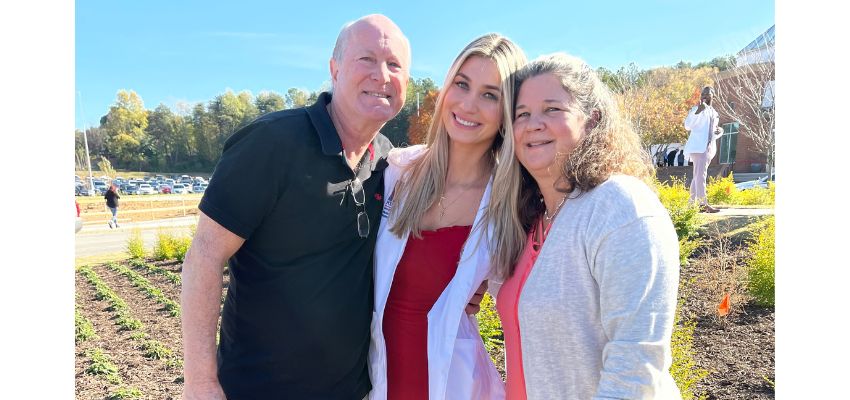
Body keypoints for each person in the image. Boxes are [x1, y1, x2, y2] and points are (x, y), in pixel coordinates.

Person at [181, 14, 410, 399]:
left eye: (395, 65)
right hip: (256, 389)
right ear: (334, 70)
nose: (381, 75)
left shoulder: (390, 163)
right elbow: (204, 256)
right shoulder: (272, 143)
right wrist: (201, 382)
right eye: (366, 59)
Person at [496, 53, 682, 399]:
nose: (533, 124)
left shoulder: (620, 207)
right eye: (522, 115)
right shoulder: (533, 219)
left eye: (552, 109)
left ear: (592, 121)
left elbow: (636, 368)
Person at [369, 34, 526, 400]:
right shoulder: (397, 173)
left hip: (451, 381)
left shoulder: (510, 204)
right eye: (462, 84)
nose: (469, 105)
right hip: (374, 374)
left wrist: (481, 285)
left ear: (508, 110)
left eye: (490, 94)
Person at [682, 86, 724, 213]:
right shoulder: (696, 109)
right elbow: (687, 126)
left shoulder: (714, 113)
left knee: (697, 176)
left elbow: (711, 131)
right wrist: (698, 111)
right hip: (699, 148)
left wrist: (720, 131)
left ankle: (691, 204)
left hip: (709, 148)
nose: (704, 96)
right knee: (701, 175)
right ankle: (703, 204)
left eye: (707, 94)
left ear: (713, 96)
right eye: (703, 94)